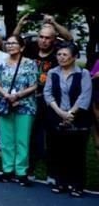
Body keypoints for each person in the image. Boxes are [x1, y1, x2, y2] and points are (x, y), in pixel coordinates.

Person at [14, 14, 71, 180]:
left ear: (54, 39)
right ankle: (30, 170)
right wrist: (20, 25)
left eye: (47, 38)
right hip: (32, 99)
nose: (43, 41)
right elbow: (14, 40)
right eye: (41, 37)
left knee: (53, 137)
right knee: (31, 136)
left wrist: (53, 22)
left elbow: (70, 38)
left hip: (52, 101)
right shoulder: (31, 48)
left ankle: (52, 173)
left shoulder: (58, 51)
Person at [44, 42, 93, 197]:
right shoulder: (53, 72)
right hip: (57, 117)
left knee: (77, 153)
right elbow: (48, 93)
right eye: (59, 54)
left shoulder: (83, 73)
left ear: (74, 57)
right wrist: (60, 113)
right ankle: (61, 182)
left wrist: (70, 113)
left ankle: (77, 185)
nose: (61, 57)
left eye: (65, 55)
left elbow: (85, 95)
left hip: (78, 120)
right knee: (59, 152)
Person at [0, 34, 38, 186]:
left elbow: (34, 85)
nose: (10, 46)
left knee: (22, 140)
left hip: (25, 105)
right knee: (7, 140)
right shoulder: (1, 63)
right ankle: (7, 170)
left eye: (14, 43)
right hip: (5, 104)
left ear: (22, 47)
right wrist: (6, 95)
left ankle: (21, 172)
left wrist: (18, 95)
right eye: (8, 43)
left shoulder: (30, 64)